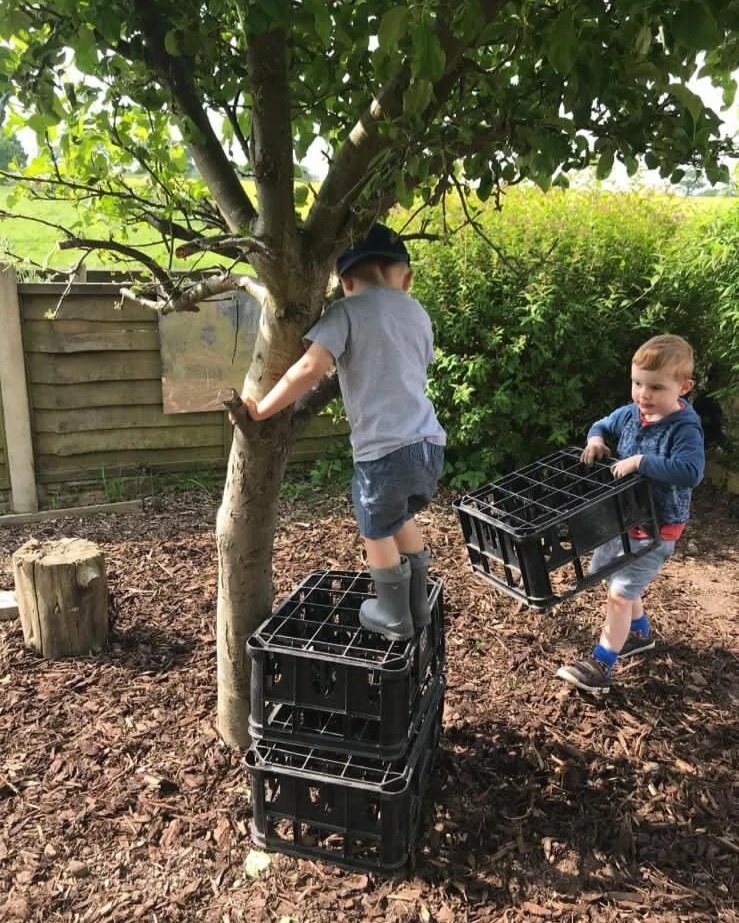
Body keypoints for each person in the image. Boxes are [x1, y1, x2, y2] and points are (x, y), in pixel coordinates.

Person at [243, 223, 446, 641]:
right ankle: (417, 602)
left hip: (383, 451)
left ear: (346, 281)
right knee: (400, 515)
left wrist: (262, 409)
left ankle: (393, 612)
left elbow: (311, 369)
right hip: (429, 446)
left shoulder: (346, 312)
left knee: (374, 525)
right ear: (406, 279)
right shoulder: (418, 313)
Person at [556, 334, 705, 695]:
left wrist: (642, 462)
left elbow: (691, 472)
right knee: (605, 574)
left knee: (620, 593)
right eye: (638, 383)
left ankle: (602, 665)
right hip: (624, 518)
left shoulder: (684, 428)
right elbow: (602, 424)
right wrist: (595, 440)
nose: (644, 394)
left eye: (656, 387)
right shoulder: (631, 414)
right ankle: (638, 634)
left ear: (683, 388)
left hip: (658, 527)